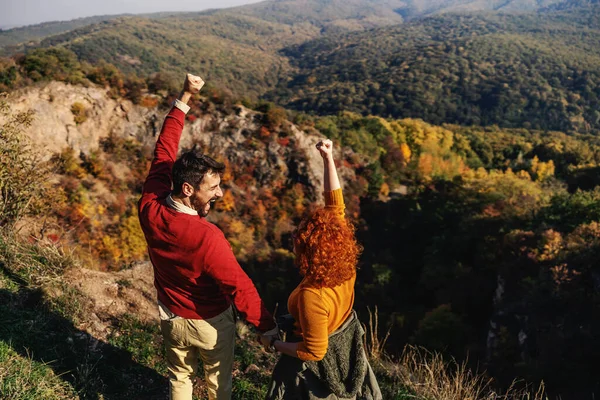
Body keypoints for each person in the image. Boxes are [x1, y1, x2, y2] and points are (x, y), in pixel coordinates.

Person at [138, 73, 277, 400]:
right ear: (187, 189)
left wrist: (185, 97)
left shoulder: (150, 205)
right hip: (209, 324)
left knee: (180, 380)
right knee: (218, 388)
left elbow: (164, 149)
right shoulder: (207, 237)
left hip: (170, 315)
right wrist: (267, 327)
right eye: (212, 188)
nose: (220, 193)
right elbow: (238, 286)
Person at [261, 139, 382, 399]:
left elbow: (314, 352)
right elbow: (335, 205)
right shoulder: (345, 263)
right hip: (345, 343)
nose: (296, 237)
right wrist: (328, 159)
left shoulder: (312, 296)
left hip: (308, 373)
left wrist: (274, 344)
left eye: (301, 238)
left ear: (310, 252)